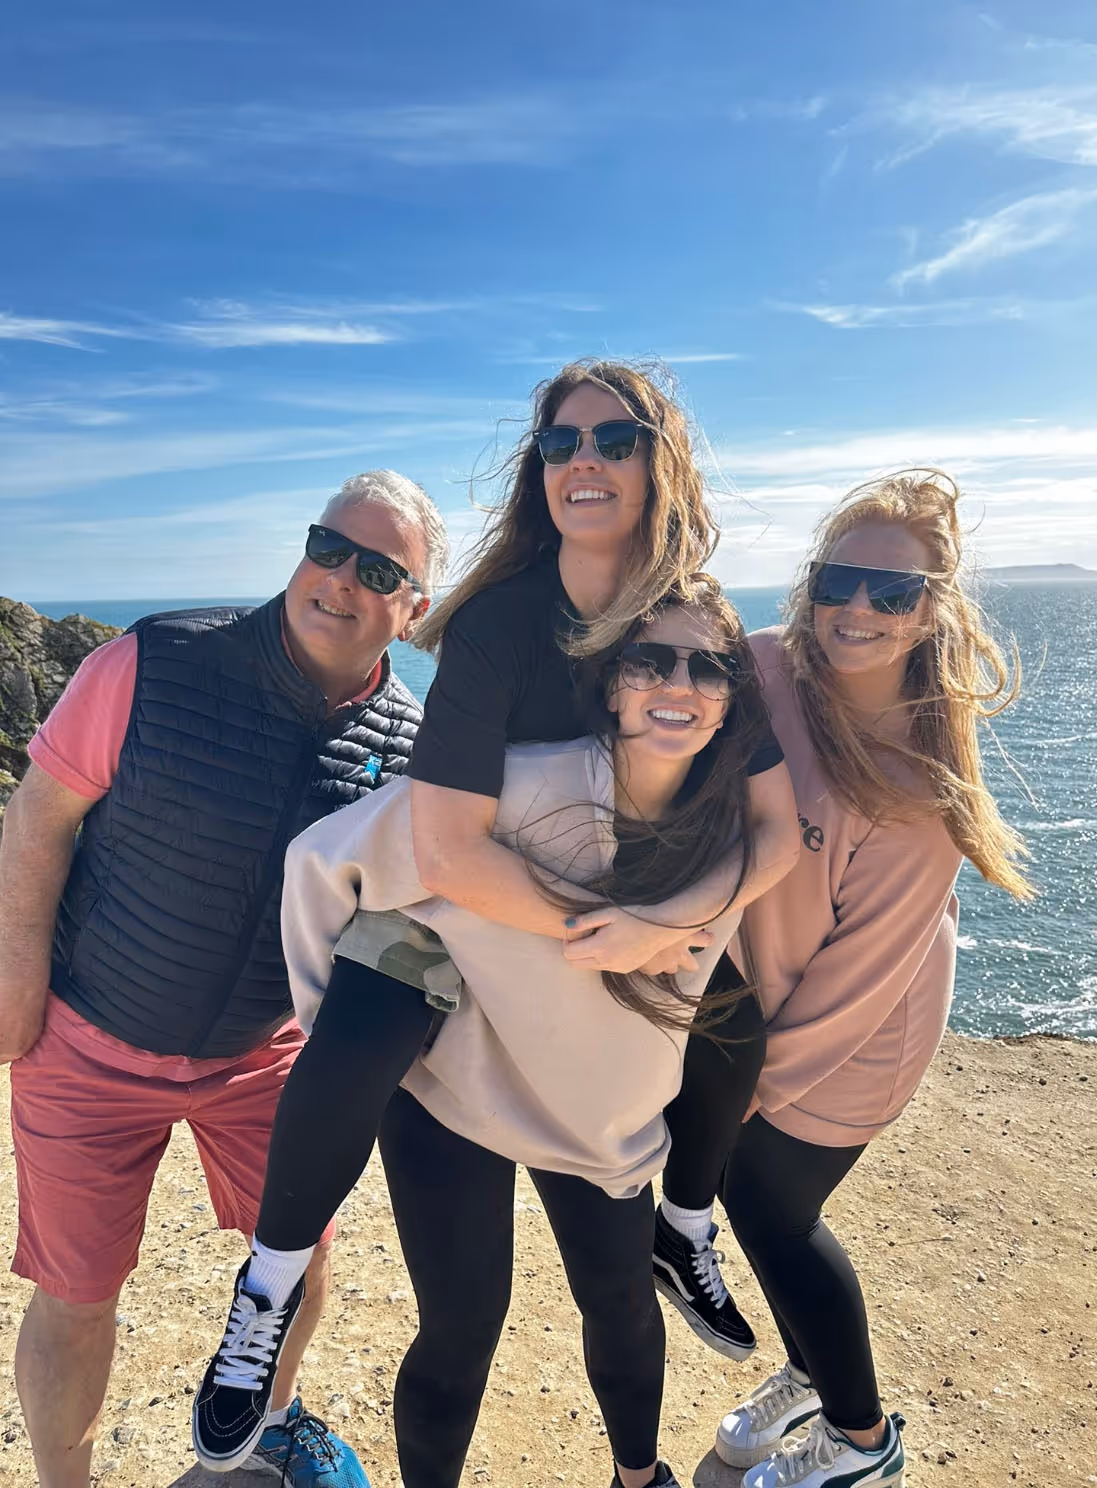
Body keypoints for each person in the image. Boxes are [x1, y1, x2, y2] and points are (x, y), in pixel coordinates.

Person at [197, 358, 800, 1396]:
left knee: (732, 1028)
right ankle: (270, 1284)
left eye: (615, 440)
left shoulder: (687, 625)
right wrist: (608, 929)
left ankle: (684, 1224)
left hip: (607, 881)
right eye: (562, 442)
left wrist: (668, 920)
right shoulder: (501, 624)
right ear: (540, 471)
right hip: (454, 885)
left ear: (659, 466)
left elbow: (778, 830)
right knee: (362, 1032)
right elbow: (447, 854)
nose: (584, 460)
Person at [203, 582, 776, 1488]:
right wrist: (342, 1022)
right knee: (462, 1324)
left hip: (588, 1102)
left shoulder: (728, 834)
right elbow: (329, 859)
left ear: (733, 699)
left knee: (624, 1300)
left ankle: (640, 1477)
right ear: (612, 685)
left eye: (709, 667)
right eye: (651, 659)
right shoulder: (524, 785)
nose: (680, 682)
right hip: (453, 1081)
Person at [0, 470, 448, 1488]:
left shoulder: (408, 745)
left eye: (380, 570)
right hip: (89, 1032)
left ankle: (261, 1435)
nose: (341, 577)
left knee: (301, 1255)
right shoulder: (151, 660)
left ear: (415, 609)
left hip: (265, 1054)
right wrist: (15, 986)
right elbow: (38, 819)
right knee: (77, 1295)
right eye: (328, 546)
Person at [693, 472, 1033, 1488]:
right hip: (764, 995)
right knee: (744, 1192)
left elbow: (859, 983)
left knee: (772, 1209)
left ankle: (860, 1439)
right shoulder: (762, 667)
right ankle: (809, 1374)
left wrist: (744, 1090)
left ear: (932, 612)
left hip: (864, 1031)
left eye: (894, 593)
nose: (858, 609)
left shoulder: (920, 789)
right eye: (838, 581)